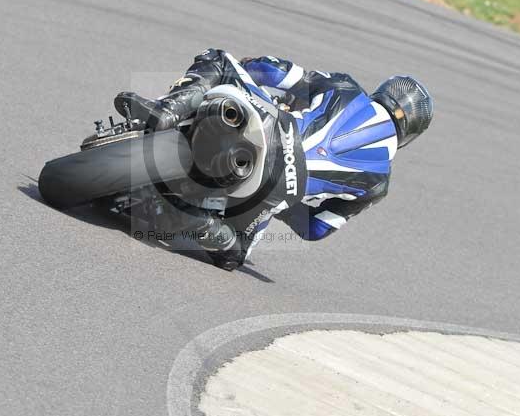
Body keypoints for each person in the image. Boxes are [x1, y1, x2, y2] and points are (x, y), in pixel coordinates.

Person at [115, 49, 433, 270]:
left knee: (218, 59)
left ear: (383, 91)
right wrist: (291, 194)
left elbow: (274, 71)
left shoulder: (345, 87)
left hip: (271, 129)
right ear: (410, 134)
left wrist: (249, 67)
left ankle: (168, 111)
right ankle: (201, 224)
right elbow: (315, 230)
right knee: (233, 256)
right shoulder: (379, 183)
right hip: (274, 195)